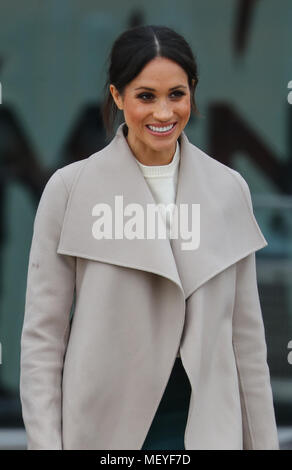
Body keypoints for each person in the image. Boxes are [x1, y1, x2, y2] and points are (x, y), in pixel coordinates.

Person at [20, 24, 279, 450]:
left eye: (176, 94)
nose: (163, 112)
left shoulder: (229, 189)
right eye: (145, 96)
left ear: (192, 93)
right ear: (118, 97)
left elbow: (246, 341)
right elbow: (43, 339)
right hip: (105, 429)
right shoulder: (70, 190)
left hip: (206, 425)